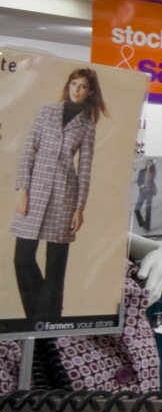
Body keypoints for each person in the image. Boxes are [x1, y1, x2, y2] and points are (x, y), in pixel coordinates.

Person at [14, 68, 103, 323]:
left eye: (83, 86)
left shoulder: (87, 123)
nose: (77, 89)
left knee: (55, 267)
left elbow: (85, 167)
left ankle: (46, 327)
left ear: (90, 91)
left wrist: (80, 207)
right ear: (68, 85)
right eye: (74, 83)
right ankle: (41, 317)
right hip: (35, 191)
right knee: (22, 258)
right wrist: (22, 188)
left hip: (65, 195)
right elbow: (29, 149)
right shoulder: (47, 112)